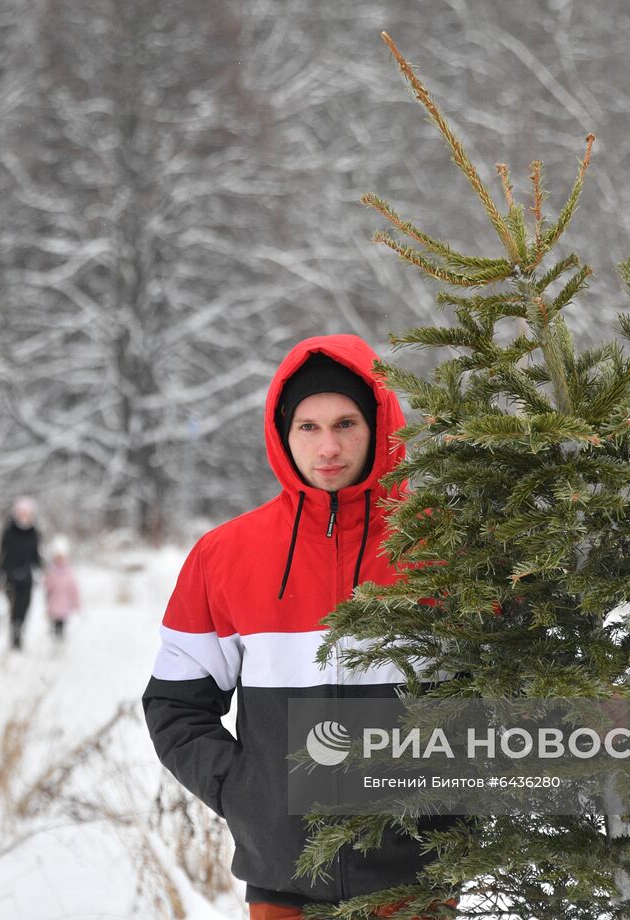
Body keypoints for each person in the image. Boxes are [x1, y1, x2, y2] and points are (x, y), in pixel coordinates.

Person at [142, 335, 439, 914]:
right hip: (284, 883)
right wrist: (247, 792)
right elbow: (176, 706)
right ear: (283, 432)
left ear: (380, 424)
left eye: (346, 423)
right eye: (308, 426)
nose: (328, 446)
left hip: (421, 880)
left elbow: (517, 687)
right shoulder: (225, 555)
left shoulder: (445, 546)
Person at [0, 496, 42, 651]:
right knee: (14, 606)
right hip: (11, 576)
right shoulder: (9, 532)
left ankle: (19, 629)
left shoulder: (34, 532)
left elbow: (36, 555)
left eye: (27, 513)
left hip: (27, 577)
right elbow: (1, 554)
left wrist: (41, 568)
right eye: (21, 513)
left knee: (25, 606)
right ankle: (14, 633)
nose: (24, 516)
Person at [43, 535, 80, 641]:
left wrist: (75, 603)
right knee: (54, 622)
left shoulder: (69, 572)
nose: (59, 560)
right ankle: (53, 638)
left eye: (62, 558)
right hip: (53, 602)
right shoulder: (51, 571)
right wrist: (49, 579)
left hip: (64, 603)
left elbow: (74, 589)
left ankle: (60, 639)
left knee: (62, 623)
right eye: (57, 558)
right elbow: (46, 586)